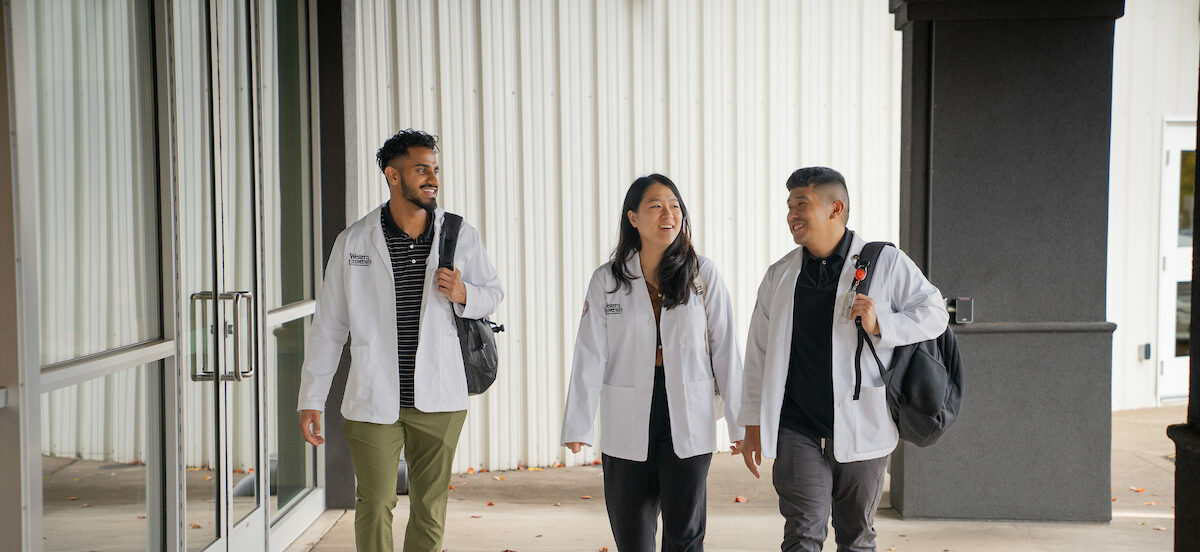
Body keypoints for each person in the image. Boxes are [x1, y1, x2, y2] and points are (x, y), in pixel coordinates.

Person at [297, 129, 504, 552]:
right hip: (374, 398)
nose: (432, 178)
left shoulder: (459, 235)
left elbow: (494, 293)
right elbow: (330, 325)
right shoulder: (354, 241)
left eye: (435, 169)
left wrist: (465, 294)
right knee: (374, 502)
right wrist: (311, 398)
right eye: (421, 169)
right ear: (393, 175)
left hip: (441, 398)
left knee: (429, 508)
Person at [737, 167, 948, 552]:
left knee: (856, 536)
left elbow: (935, 312)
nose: (791, 215)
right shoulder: (780, 275)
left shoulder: (885, 262)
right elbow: (758, 352)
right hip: (796, 428)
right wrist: (752, 421)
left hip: (862, 424)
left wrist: (880, 321)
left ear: (836, 208)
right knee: (802, 533)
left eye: (801, 204)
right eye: (788, 206)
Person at [561, 174, 745, 552]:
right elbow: (590, 353)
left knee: (685, 536)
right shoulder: (607, 280)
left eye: (675, 206)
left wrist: (740, 425)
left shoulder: (702, 274)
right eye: (656, 206)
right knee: (633, 537)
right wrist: (579, 421)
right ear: (633, 218)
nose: (669, 214)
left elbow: (725, 348)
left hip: (690, 414)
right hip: (629, 415)